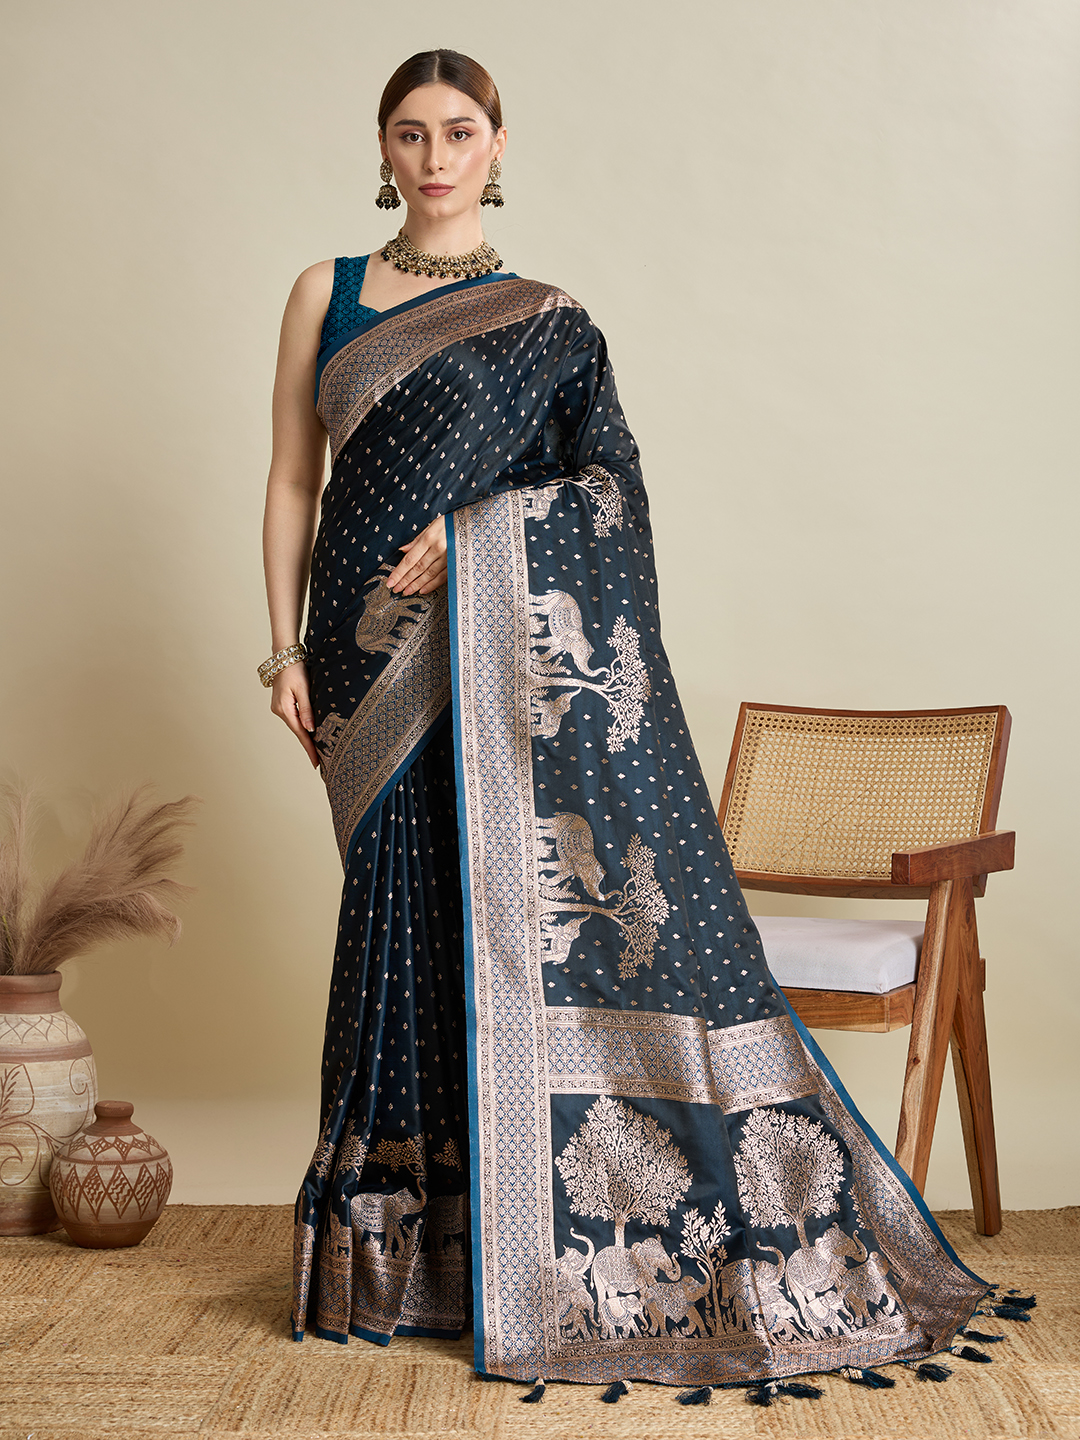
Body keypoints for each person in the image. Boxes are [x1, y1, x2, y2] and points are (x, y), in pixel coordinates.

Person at [262, 48, 989, 1395]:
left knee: (482, 914)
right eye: (410, 133)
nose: (434, 157)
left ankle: (512, 1255)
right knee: (393, 918)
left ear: (496, 147)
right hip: (356, 659)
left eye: (459, 132)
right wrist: (280, 647)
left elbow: (610, 494)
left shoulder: (550, 320)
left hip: (482, 648)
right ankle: (403, 1259)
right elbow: (292, 482)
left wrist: (472, 535)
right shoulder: (329, 290)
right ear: (383, 147)